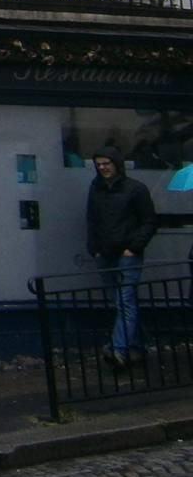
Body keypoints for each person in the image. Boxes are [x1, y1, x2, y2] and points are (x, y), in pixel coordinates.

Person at [87, 144, 158, 368]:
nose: (103, 168)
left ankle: (118, 349)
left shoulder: (135, 189)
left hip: (127, 253)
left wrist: (134, 247)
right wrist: (94, 248)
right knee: (121, 302)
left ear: (117, 164)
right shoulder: (96, 188)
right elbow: (92, 219)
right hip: (106, 252)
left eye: (106, 163)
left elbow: (149, 221)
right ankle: (135, 346)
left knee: (125, 301)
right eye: (99, 165)